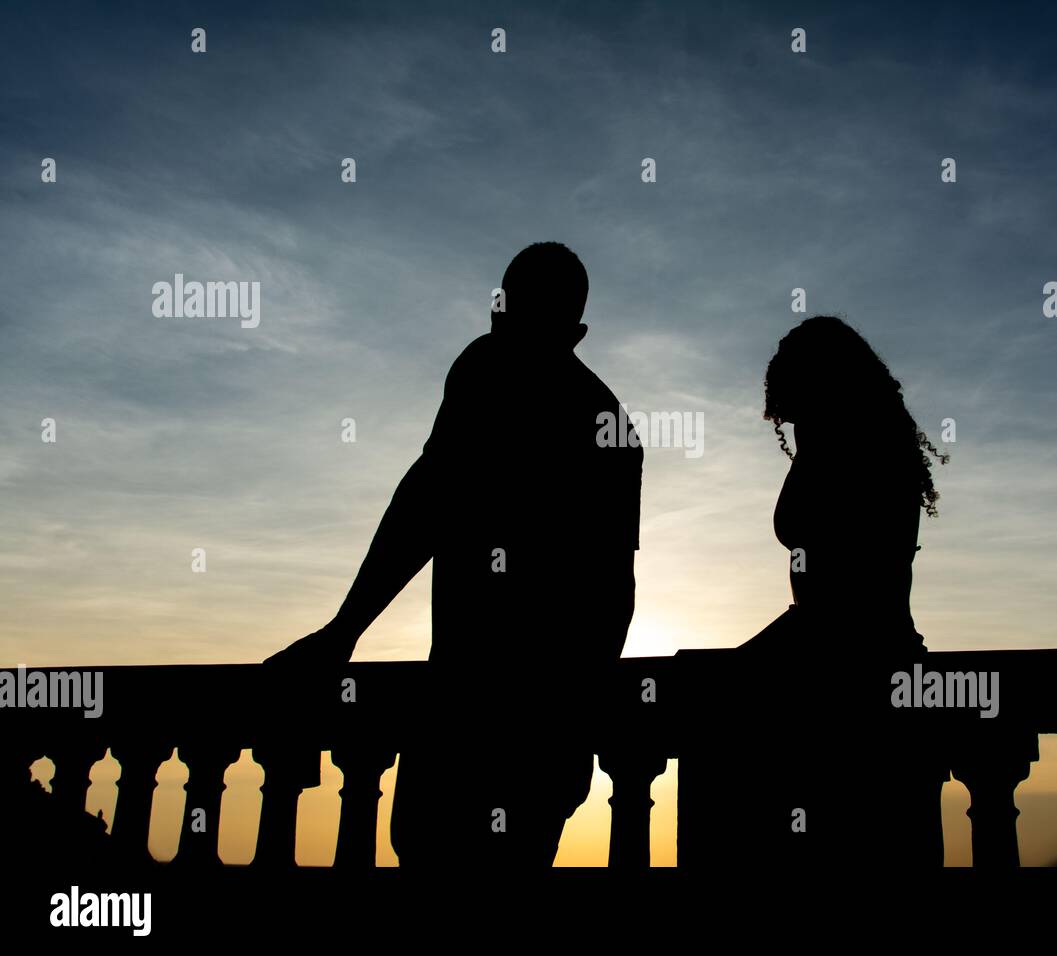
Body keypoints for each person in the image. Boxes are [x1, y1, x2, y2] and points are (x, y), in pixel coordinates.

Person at [266, 242, 642, 870]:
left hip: (522, 725)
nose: (499, 326)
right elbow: (426, 504)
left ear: (571, 333)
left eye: (516, 314)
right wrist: (343, 631)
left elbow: (608, 592)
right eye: (502, 311)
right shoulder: (487, 372)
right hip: (464, 712)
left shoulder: (596, 423)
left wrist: (567, 722)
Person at [684, 315, 949, 870]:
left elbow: (844, 605)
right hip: (858, 657)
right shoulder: (861, 443)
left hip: (849, 667)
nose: (787, 417)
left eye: (795, 399)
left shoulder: (850, 448)